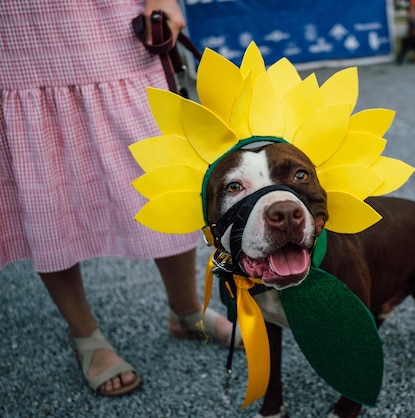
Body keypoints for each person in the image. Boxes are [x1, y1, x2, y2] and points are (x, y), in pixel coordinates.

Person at [0, 0, 238, 397]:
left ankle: (186, 310)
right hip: (14, 49)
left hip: (110, 34)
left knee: (163, 179)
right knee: (42, 194)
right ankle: (85, 335)